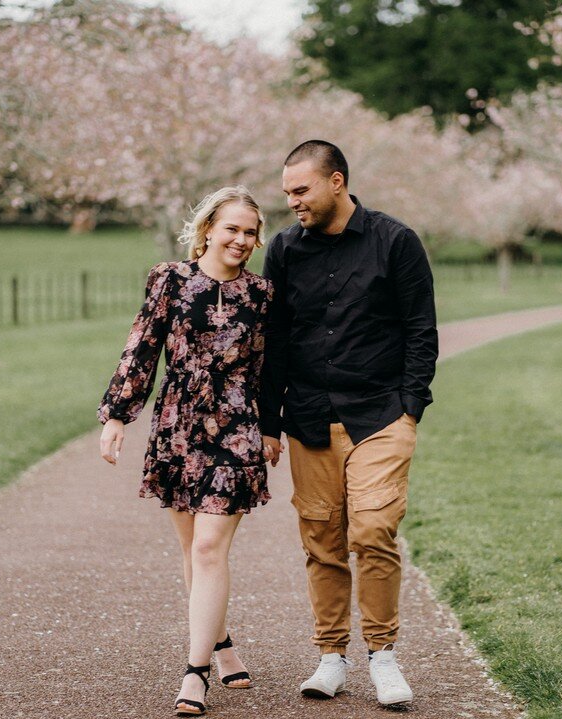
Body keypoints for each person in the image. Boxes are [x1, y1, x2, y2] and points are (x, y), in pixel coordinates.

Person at [259, 141, 438, 708]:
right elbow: (275, 340)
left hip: (381, 415)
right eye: (287, 192)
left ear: (336, 182)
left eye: (300, 190)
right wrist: (268, 422)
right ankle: (331, 657)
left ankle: (383, 656)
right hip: (309, 419)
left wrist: (410, 405)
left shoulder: (396, 241)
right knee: (322, 541)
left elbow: (420, 330)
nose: (292, 203)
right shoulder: (285, 249)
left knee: (371, 531)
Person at [97, 186, 275, 716]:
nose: (242, 240)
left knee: (207, 548)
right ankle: (220, 644)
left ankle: (194, 671)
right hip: (178, 426)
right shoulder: (169, 279)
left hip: (238, 425)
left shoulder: (263, 294)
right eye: (233, 229)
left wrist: (273, 428)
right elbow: (142, 346)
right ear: (207, 229)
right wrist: (116, 416)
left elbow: (269, 366)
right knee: (191, 549)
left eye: (251, 232)